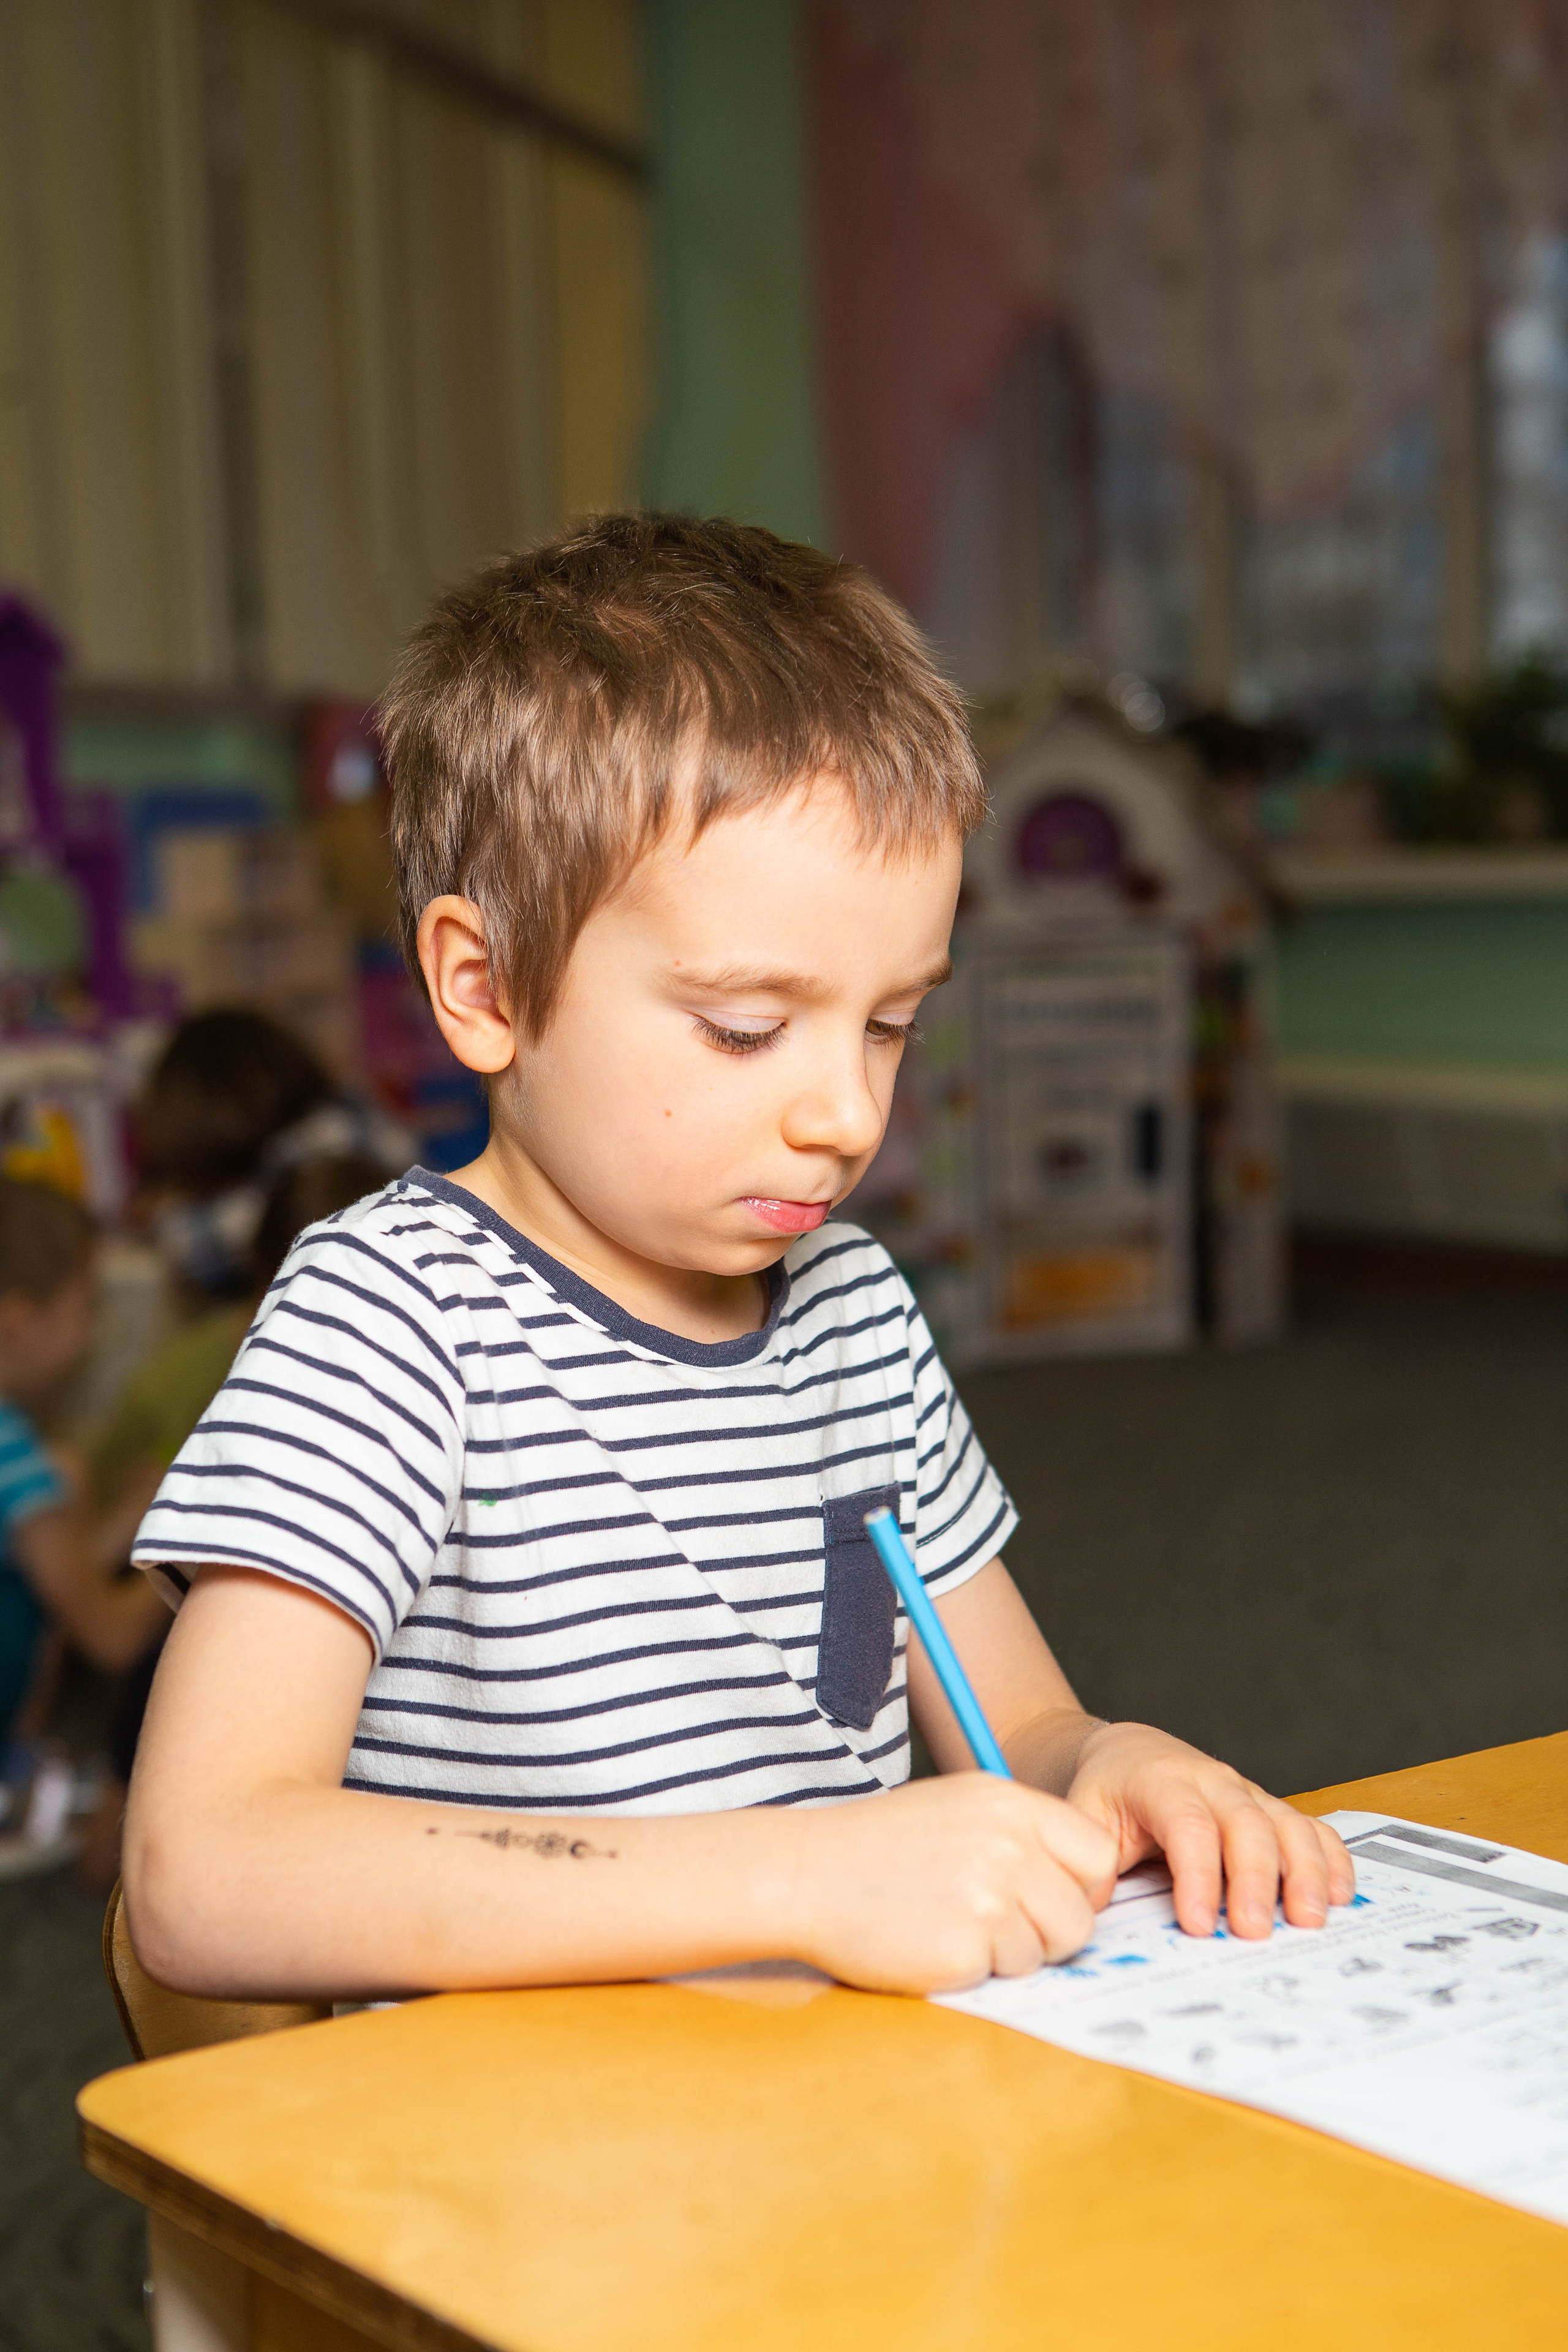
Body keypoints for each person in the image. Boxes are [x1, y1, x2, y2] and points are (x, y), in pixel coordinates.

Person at [123, 516, 1352, 2004]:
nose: (847, 1115)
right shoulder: (389, 1323)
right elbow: (203, 1873)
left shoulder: (854, 1313)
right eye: (745, 1029)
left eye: (889, 1024)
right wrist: (794, 1877)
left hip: (816, 2099)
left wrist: (1108, 1759)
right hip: (510, 2130)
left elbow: (1017, 1728)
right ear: (485, 986)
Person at [0, 1178, 165, 1860]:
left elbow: (45, 1573)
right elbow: (112, 1637)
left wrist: (125, 1521)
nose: (93, 1331)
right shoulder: (16, 1456)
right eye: (85, 1307)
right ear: (17, 1320)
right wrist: (184, 1538)